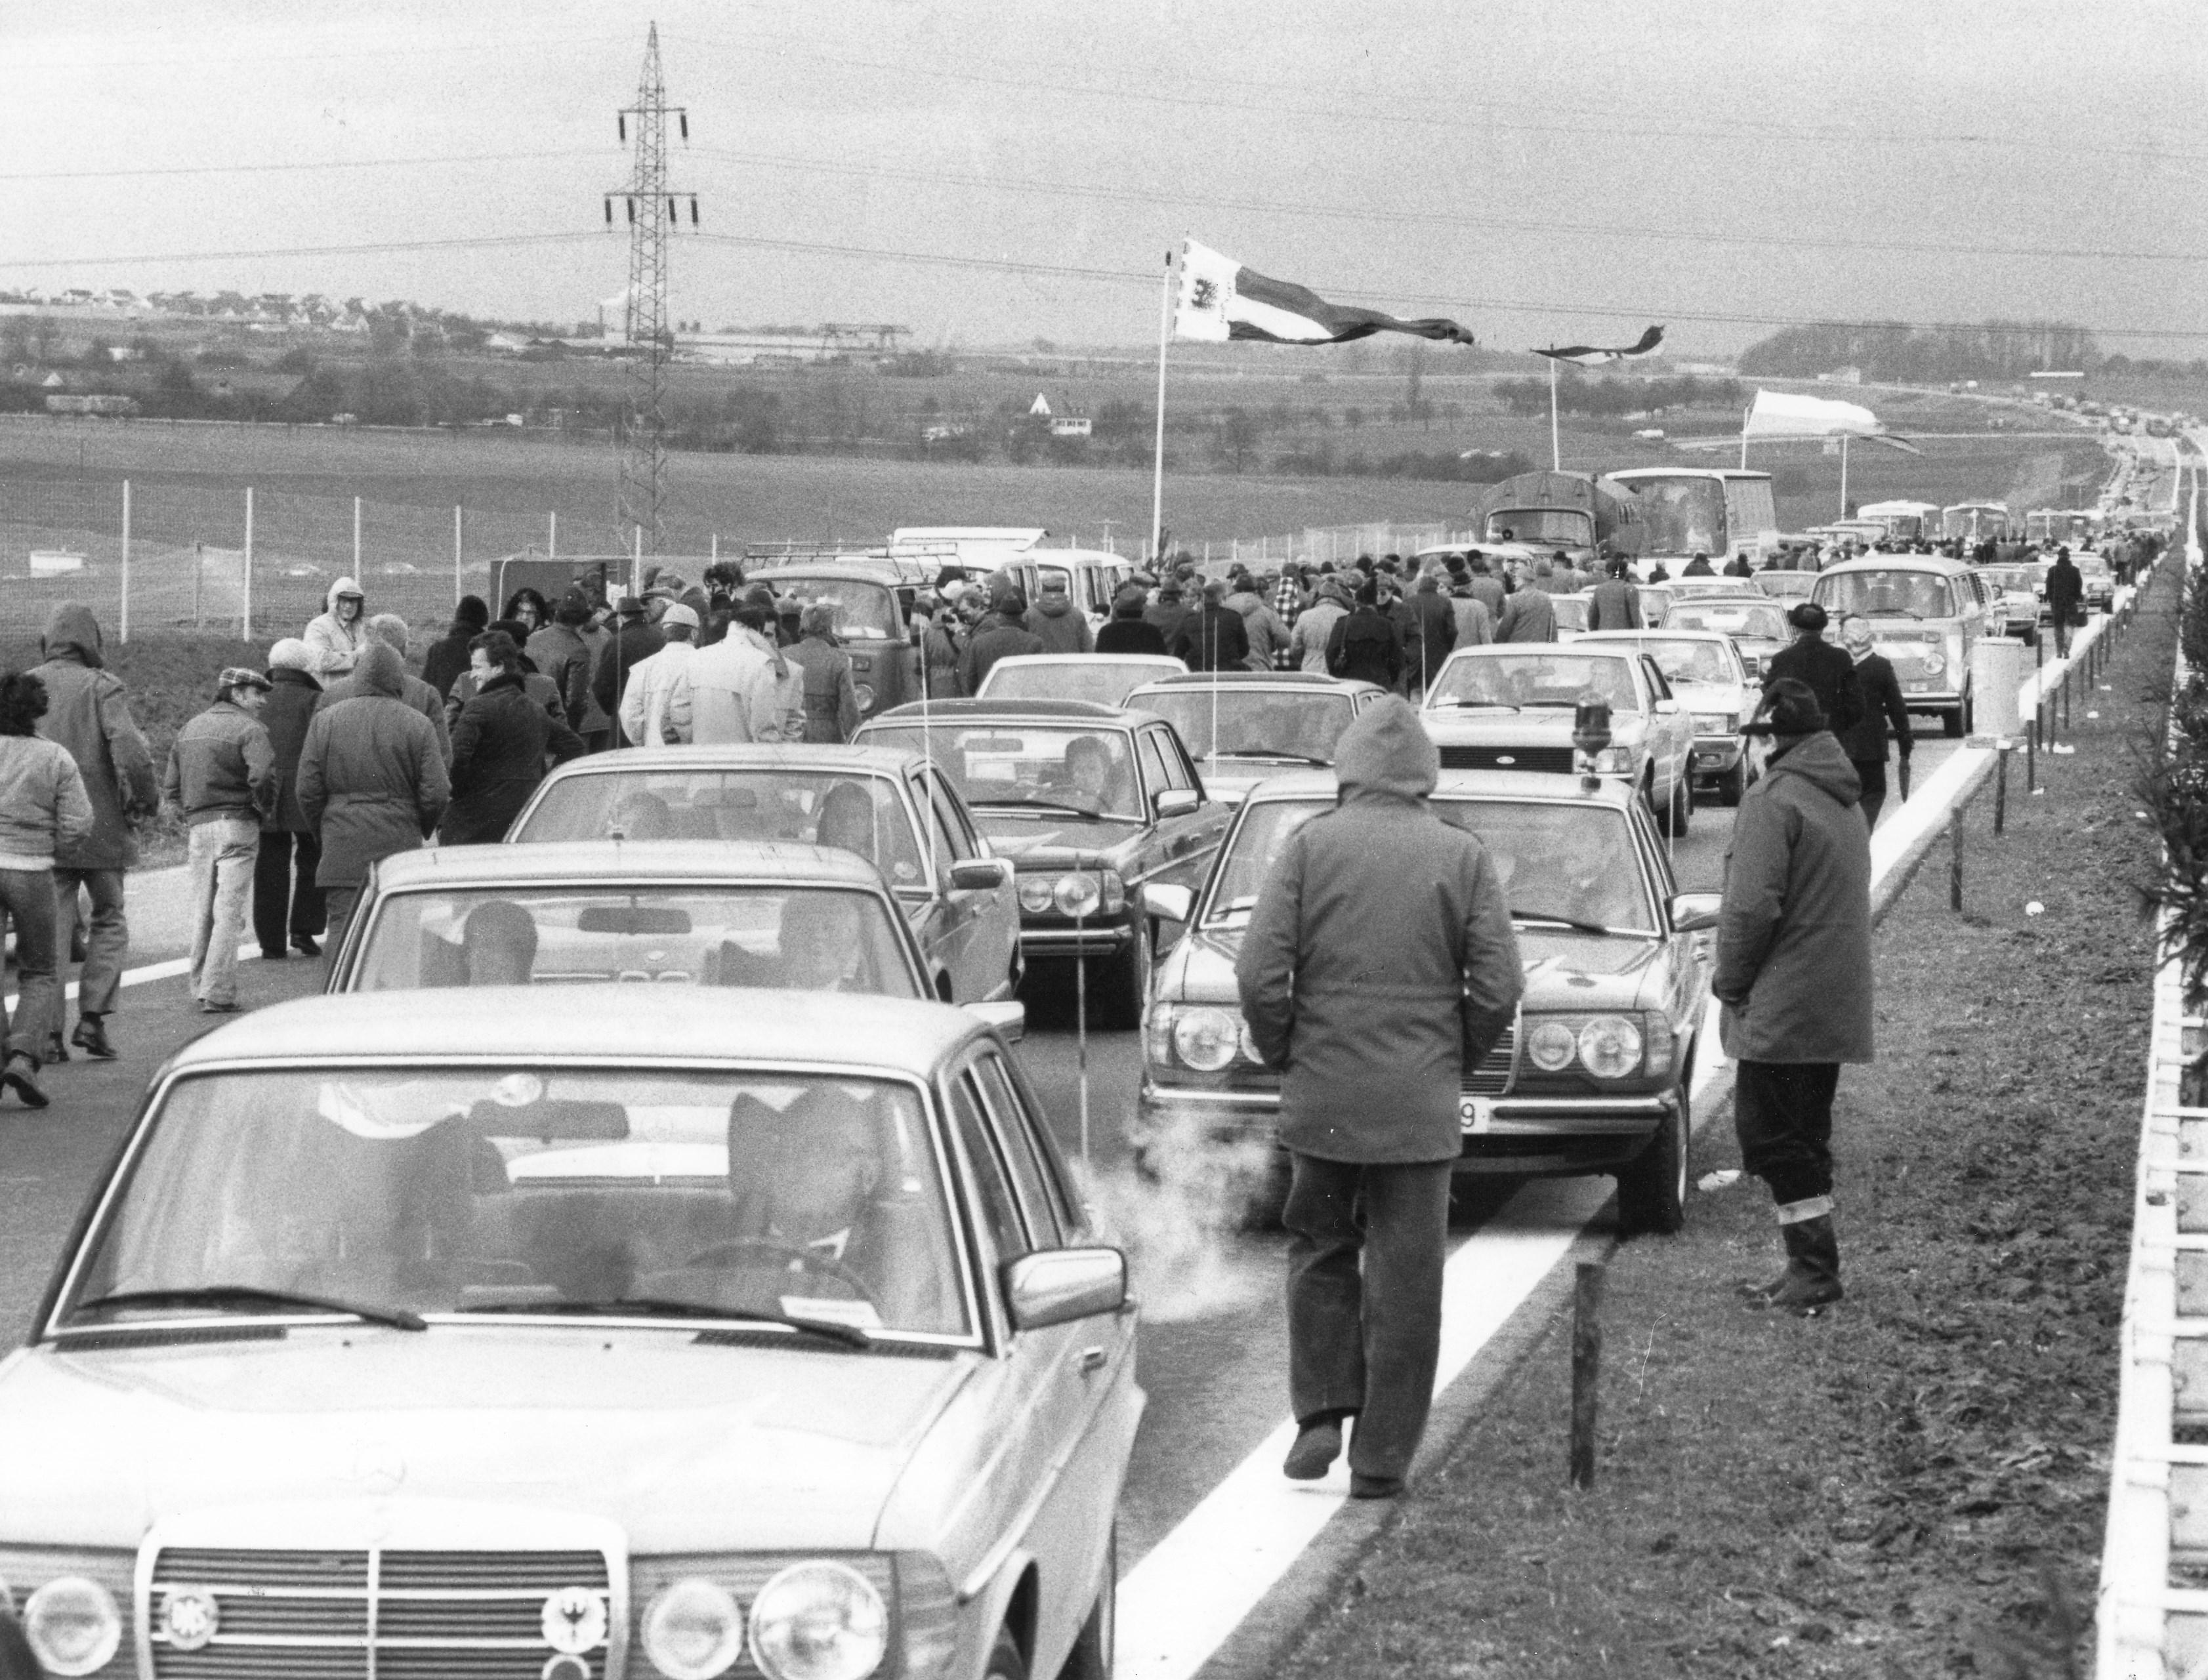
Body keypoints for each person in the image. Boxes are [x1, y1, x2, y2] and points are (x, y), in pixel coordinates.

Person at [1235, 698, 1522, 1499]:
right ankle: (1381, 1458)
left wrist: (1285, 1050)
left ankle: (1321, 1411)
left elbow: (1258, 971)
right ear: (1423, 773)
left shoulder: (1308, 847)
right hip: (1418, 1106)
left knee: (1320, 1244)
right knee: (1407, 1280)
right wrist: (1452, 1056)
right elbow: (1499, 983)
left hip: (1322, 1097)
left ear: (1347, 767)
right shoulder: (1460, 855)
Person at [1718, 680, 1874, 1315]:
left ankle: (1812, 1266)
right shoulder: (1839, 796)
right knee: (1804, 1135)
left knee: (1769, 1136)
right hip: (1830, 996)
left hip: (1782, 1001)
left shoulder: (1771, 799)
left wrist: (1730, 982)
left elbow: (1750, 906)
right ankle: (1807, 1263)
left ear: (1770, 741)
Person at [29, 602, 156, 1061]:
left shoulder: (26, 685)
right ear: (92, 641)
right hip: (102, 828)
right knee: (109, 917)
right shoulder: (103, 686)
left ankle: (46, 1035)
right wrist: (145, 800)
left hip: (45, 830)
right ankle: (93, 1018)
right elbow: (131, 750)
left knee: (52, 932)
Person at [296, 642, 449, 948]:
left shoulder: (325, 721)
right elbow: (438, 791)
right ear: (399, 680)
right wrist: (419, 824)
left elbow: (307, 790)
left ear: (358, 677)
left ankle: (338, 996)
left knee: (342, 933)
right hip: (399, 845)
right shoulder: (418, 724)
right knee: (399, 938)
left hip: (342, 844)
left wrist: (324, 830)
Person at [0, 673, 93, 1103]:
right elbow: (80, 821)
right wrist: (52, 846)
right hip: (33, 868)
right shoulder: (55, 757)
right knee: (39, 968)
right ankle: (23, 1057)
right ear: (37, 709)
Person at [163, 667, 277, 1015]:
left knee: (203, 909)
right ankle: (218, 991)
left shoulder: (190, 728)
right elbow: (263, 776)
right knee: (229, 911)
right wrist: (264, 809)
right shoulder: (251, 729)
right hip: (238, 824)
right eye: (257, 693)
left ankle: (200, 986)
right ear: (238, 694)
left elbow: (170, 787)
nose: (261, 701)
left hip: (200, 826)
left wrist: (188, 809)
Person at [443, 630, 587, 844]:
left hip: (474, 822)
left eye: (477, 667)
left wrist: (463, 793)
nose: (472, 675)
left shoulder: (477, 707)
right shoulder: (535, 709)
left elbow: (456, 760)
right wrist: (544, 783)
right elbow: (575, 747)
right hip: (524, 819)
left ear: (499, 666)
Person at [252, 639, 329, 961]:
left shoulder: (258, 697)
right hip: (305, 788)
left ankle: (271, 941)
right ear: (304, 666)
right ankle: (304, 929)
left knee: (270, 863)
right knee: (312, 857)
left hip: (266, 789)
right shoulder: (315, 699)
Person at [319, 614, 451, 766]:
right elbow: (440, 759)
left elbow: (316, 756)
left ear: (365, 646)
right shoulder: (425, 694)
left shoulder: (332, 694)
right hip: (404, 786)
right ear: (404, 650)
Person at [684, 589, 804, 744]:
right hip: (743, 758)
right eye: (761, 635)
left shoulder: (793, 672)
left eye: (768, 635)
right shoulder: (752, 664)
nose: (762, 641)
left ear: (777, 639)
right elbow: (764, 730)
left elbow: (794, 726)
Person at [1833, 614, 1911, 830]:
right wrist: (1905, 745)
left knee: (1840, 796)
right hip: (1871, 747)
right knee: (1873, 792)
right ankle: (1862, 835)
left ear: (1842, 636)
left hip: (1837, 746)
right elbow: (1897, 708)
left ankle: (1845, 838)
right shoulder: (1881, 666)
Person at [1761, 602, 1864, 737]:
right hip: (1829, 737)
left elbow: (1769, 701)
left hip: (1793, 741)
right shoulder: (1841, 658)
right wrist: (1838, 727)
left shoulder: (1781, 659)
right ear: (1822, 629)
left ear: (1795, 628)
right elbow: (1857, 704)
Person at [526, 590, 604, 742]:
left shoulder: (532, 639)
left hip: (528, 722)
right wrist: (570, 735)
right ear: (583, 620)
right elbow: (575, 701)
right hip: (556, 728)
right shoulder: (578, 650)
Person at [619, 602, 701, 745]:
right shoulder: (703, 663)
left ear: (664, 633)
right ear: (694, 633)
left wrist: (643, 742)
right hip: (695, 754)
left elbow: (629, 715)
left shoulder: (642, 668)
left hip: (653, 754)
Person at [591, 594, 667, 743]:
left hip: (624, 718)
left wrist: (612, 709)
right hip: (657, 712)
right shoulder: (660, 638)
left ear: (621, 618)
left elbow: (602, 685)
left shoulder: (616, 643)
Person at [786, 602, 863, 743]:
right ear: (829, 629)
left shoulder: (785, 655)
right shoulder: (839, 659)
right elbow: (849, 709)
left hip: (792, 732)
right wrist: (856, 738)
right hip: (828, 735)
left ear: (801, 628)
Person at [959, 590, 1045, 693]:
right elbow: (1040, 680)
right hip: (1022, 702)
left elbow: (971, 683)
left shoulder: (979, 643)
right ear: (1022, 617)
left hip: (990, 703)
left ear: (999, 616)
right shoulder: (1035, 643)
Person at [1325, 581, 1403, 689]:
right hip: (1379, 683)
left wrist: (1337, 677)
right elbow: (1397, 659)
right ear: (1375, 603)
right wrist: (1389, 679)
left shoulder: (1343, 624)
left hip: (1349, 683)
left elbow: (1331, 654)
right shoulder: (1387, 625)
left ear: (1356, 603)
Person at [421, 596, 488, 705]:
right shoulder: (484, 649)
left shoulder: (437, 649)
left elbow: (425, 687)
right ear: (483, 619)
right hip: (473, 711)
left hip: (442, 712)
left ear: (458, 616)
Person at [1173, 581, 1253, 673]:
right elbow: (1244, 649)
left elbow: (1179, 653)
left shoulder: (1190, 621)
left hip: (1198, 674)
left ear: (1203, 599)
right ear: (1221, 598)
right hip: (1228, 673)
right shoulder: (1234, 617)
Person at [302, 577, 369, 678]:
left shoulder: (364, 627)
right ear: (334, 602)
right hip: (329, 691)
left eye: (353, 601)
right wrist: (356, 656)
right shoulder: (318, 626)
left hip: (358, 690)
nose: (349, 606)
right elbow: (321, 661)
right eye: (344, 601)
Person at [460, 899, 537, 985]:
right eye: (471, 949)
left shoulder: (544, 998)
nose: (481, 958)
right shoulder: (448, 996)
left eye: (489, 946)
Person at [1404, 573, 1457, 694]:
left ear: (1420, 586)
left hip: (1413, 656)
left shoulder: (1408, 602)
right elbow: (1452, 630)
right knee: (1436, 691)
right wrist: (1447, 648)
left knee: (1415, 692)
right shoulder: (1445, 603)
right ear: (1436, 586)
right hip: (1438, 654)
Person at [1289, 575, 1351, 674]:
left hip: (1309, 667)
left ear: (1320, 594)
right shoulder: (1346, 616)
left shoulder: (1305, 615)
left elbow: (1294, 645)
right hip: (1336, 668)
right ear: (1338, 595)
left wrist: (1305, 657)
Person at [1024, 573, 1096, 655]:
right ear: (1064, 589)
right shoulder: (1077, 615)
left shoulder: (1030, 615)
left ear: (1043, 589)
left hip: (1040, 666)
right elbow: (1088, 647)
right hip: (1072, 666)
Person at [1494, 562, 1558, 643]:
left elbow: (1506, 625)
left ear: (1523, 580)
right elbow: (1552, 627)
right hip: (1540, 646)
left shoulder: (1516, 599)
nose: (1514, 583)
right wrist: (1553, 643)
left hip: (1518, 647)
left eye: (1516, 579)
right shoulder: (1546, 598)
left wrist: (1499, 642)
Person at [1096, 586, 1169, 655]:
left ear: (1117, 612)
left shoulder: (1106, 633)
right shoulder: (1152, 632)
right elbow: (1164, 659)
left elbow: (1100, 661)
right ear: (1141, 611)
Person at [2045, 545, 2084, 657]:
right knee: (2070, 626)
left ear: (2058, 556)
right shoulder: (2075, 571)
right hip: (2070, 602)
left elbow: (2048, 586)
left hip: (2057, 603)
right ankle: (2067, 648)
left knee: (2058, 626)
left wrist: (2050, 599)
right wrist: (2076, 597)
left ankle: (2059, 650)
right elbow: (2079, 586)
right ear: (2068, 556)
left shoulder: (2052, 570)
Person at [1585, 558, 1642, 632]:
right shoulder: (1631, 589)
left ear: (1611, 573)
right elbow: (1636, 618)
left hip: (1603, 635)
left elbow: (1592, 616)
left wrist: (1593, 632)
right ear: (1626, 572)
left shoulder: (1599, 589)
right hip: (1624, 636)